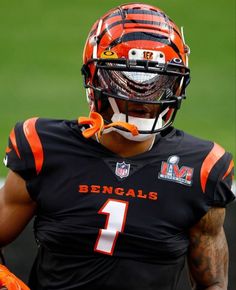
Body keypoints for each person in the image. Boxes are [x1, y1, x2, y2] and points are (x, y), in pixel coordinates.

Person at [0, 2, 235, 290]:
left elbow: (213, 284)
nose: (144, 98)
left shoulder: (202, 168)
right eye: (126, 81)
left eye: (159, 81)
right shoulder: (43, 148)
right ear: (94, 78)